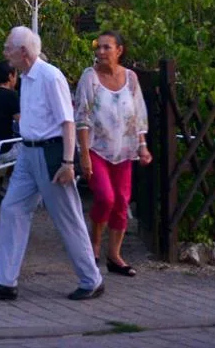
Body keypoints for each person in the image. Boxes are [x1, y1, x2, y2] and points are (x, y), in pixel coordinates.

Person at [0, 26, 104, 302]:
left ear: (23, 52)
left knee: (67, 217)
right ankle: (4, 281)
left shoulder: (50, 76)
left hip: (50, 154)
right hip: (27, 152)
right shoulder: (25, 77)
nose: (4, 52)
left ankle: (91, 279)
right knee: (11, 210)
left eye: (8, 47)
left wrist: (68, 162)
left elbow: (67, 121)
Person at [75, 30, 151, 277]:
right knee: (105, 197)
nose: (101, 52)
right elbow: (82, 117)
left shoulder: (130, 78)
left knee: (121, 201)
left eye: (107, 47)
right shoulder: (90, 78)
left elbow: (138, 115)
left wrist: (142, 145)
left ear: (120, 50)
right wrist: (84, 154)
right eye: (99, 47)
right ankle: (94, 246)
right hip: (97, 148)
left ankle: (115, 256)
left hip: (124, 150)